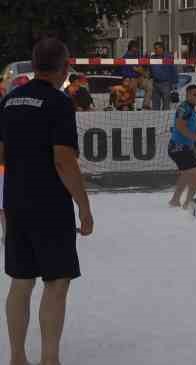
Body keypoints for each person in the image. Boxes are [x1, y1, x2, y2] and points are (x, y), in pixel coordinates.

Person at [1, 38, 94, 365]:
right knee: (56, 281)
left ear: (34, 62)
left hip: (15, 200)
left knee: (21, 281)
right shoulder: (58, 102)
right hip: (49, 203)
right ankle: (49, 359)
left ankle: (16, 357)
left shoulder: (10, 100)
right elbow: (64, 160)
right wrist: (83, 205)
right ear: (65, 66)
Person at [168, 85, 196, 209]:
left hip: (181, 148)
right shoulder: (185, 108)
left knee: (186, 174)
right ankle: (188, 203)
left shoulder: (189, 107)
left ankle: (175, 201)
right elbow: (181, 127)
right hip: (179, 148)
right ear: (187, 95)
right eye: (194, 95)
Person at [150, 42, 178, 110]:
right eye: (155, 48)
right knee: (155, 104)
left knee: (166, 104)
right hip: (155, 83)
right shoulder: (152, 58)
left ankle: (165, 119)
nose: (156, 50)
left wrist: (174, 83)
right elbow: (150, 70)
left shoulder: (168, 58)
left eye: (158, 48)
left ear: (162, 49)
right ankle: (156, 119)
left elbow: (174, 70)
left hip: (166, 83)